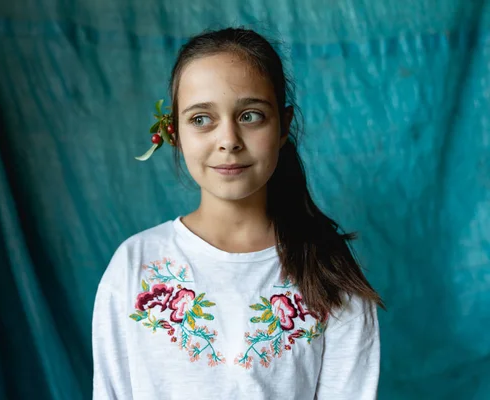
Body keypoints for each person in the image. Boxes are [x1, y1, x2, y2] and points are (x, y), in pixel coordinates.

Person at [92, 27, 383, 400]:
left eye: (250, 115)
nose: (228, 139)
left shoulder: (329, 271)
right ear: (174, 133)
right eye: (201, 119)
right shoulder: (135, 266)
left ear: (283, 126)